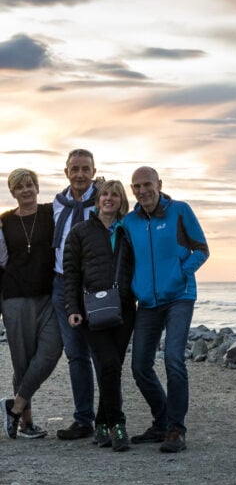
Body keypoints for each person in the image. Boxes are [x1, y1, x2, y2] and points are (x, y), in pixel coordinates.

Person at [123, 166, 209, 453]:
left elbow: (201, 250)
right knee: (139, 367)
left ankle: (176, 430)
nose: (142, 190)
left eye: (147, 184)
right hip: (147, 302)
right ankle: (161, 421)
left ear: (159, 184)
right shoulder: (130, 222)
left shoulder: (180, 211)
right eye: (136, 186)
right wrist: (136, 287)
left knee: (173, 358)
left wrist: (180, 275)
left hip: (180, 297)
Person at [63, 180, 136, 452]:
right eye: (105, 193)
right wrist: (72, 310)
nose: (109, 198)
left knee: (112, 366)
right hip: (91, 310)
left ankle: (102, 423)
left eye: (115, 195)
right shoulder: (79, 232)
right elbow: (71, 274)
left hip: (125, 309)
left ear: (121, 200)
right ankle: (118, 424)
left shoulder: (128, 231)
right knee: (107, 363)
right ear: (97, 199)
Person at [0, 168, 62, 440]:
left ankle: (14, 407)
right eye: (19, 187)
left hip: (47, 296)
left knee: (51, 351)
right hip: (14, 298)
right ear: (12, 192)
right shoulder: (4, 221)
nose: (25, 190)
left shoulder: (51, 213)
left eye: (29, 185)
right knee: (22, 362)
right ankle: (26, 423)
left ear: (37, 187)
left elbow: (77, 201)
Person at [51, 148, 99, 440]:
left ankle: (108, 418)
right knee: (75, 355)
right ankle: (83, 420)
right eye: (75, 169)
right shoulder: (56, 205)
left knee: (102, 353)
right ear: (66, 172)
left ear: (94, 172)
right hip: (61, 285)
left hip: (96, 287)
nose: (80, 174)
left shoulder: (106, 200)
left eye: (85, 169)